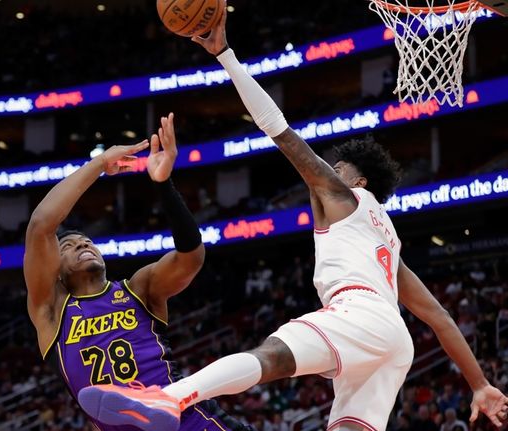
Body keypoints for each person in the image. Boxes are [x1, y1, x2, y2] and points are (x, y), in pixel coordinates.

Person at [77, 11, 508, 431]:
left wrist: (225, 54)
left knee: (274, 355)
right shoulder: (387, 240)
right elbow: (438, 317)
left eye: (335, 168)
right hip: (394, 337)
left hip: (358, 312)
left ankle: (169, 398)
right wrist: (480, 384)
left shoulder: (343, 196)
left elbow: (278, 130)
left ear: (356, 179)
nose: (325, 174)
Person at [24, 113, 250, 430]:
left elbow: (191, 257)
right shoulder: (52, 309)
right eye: (69, 246)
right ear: (56, 270)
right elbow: (40, 226)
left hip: (187, 422)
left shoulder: (137, 288)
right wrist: (100, 164)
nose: (82, 245)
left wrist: (164, 185)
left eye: (87, 241)